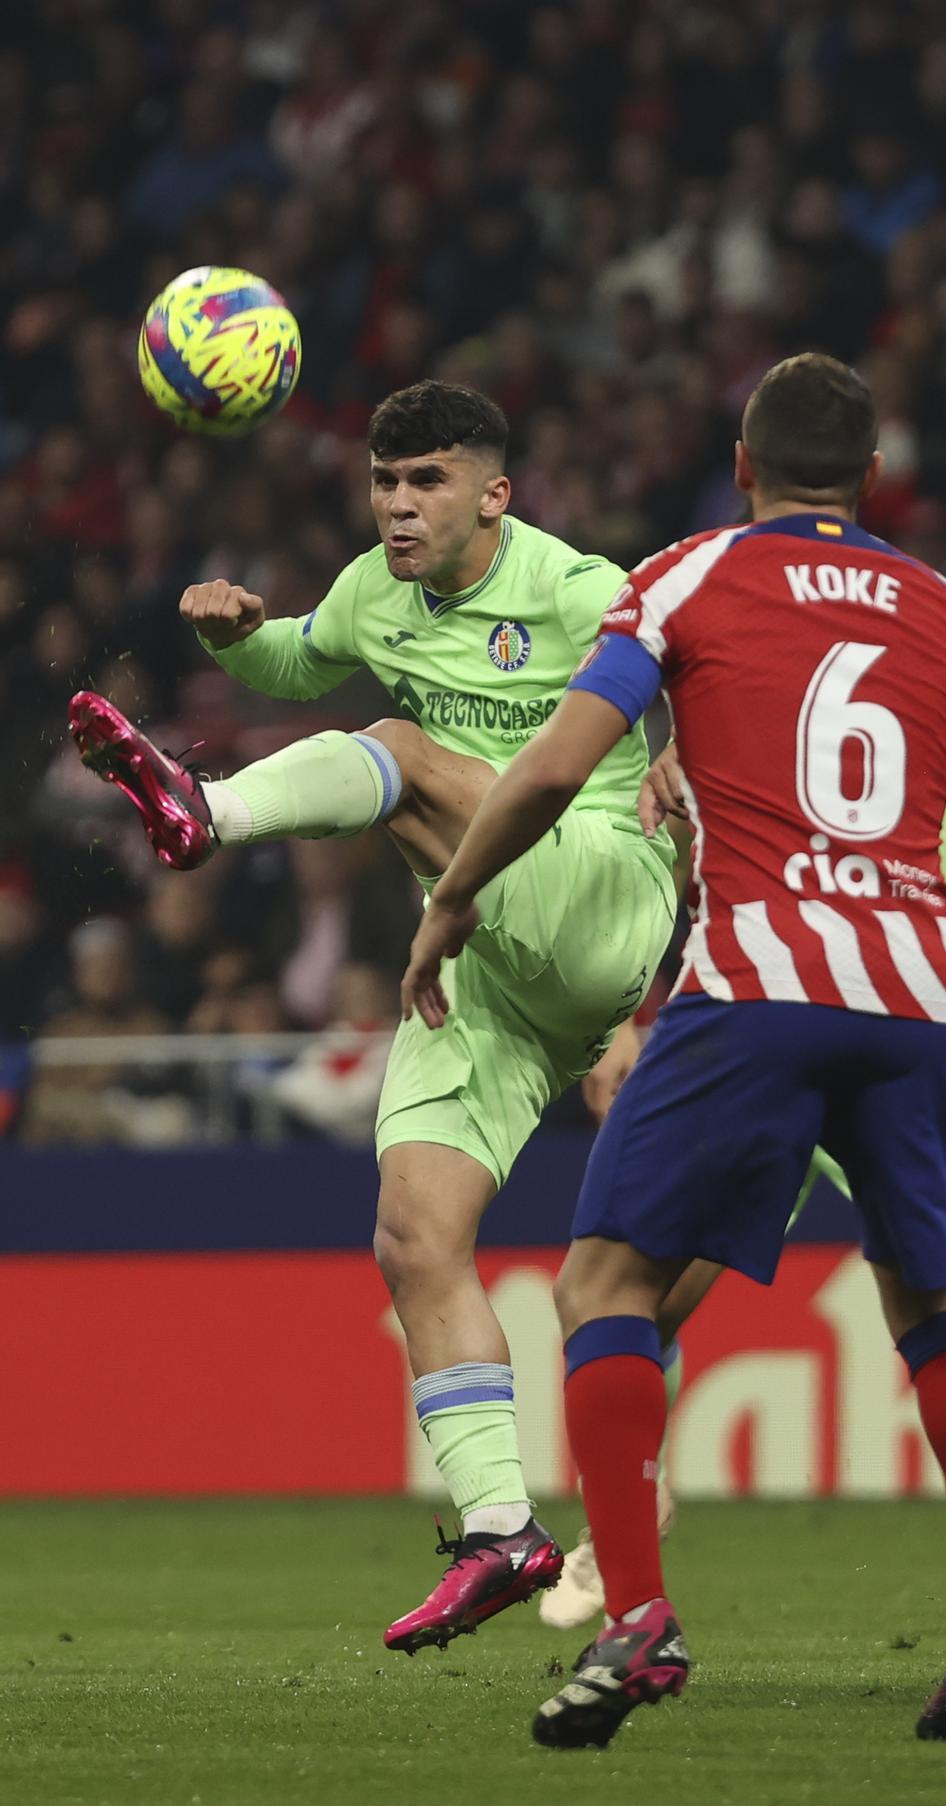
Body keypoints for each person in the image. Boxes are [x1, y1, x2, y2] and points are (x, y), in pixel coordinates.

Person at [400, 353, 946, 1748]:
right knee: (937, 1308)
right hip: (918, 996)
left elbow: (553, 766)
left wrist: (448, 901)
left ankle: (640, 1616)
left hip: (756, 984)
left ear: (743, 464)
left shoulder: (684, 579)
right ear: (872, 475)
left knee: (602, 1280)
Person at [68, 380, 677, 1654]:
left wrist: (683, 747)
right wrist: (239, 636)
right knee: (416, 1232)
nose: (399, 508)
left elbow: (698, 665)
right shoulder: (370, 588)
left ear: (494, 494)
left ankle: (207, 811)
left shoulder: (579, 588)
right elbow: (301, 658)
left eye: (429, 483)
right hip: (480, 960)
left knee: (399, 745)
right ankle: (505, 1529)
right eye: (386, 484)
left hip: (603, 894)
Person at [542, 738, 946, 1635]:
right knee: (640, 1303)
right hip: (791, 1027)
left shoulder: (941, 689)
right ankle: (623, 1521)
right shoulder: (777, 690)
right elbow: (667, 846)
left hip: (883, 1027)